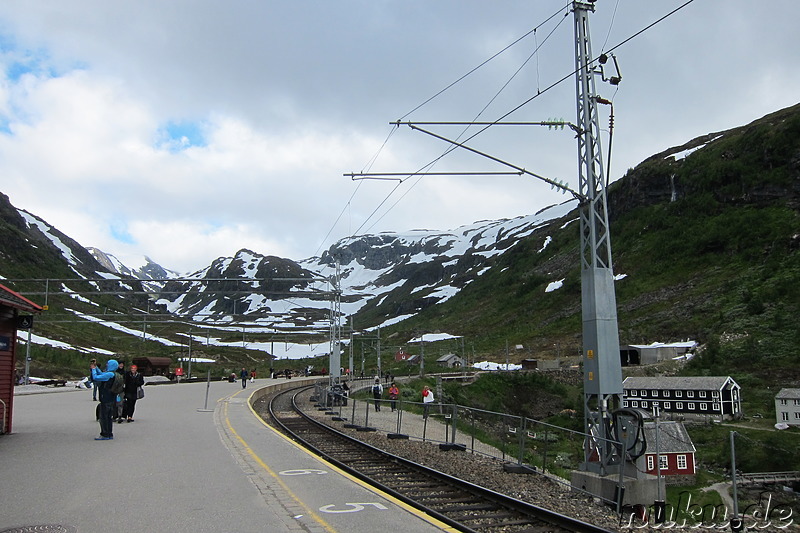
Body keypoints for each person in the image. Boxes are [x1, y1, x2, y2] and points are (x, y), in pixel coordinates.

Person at [90, 359, 120, 440]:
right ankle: (109, 433)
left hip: (106, 398)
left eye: (108, 364)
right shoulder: (113, 374)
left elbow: (96, 377)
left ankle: (105, 434)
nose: (106, 365)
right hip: (111, 398)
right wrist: (96, 367)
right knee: (108, 417)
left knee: (103, 417)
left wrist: (93, 369)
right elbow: (101, 374)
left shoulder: (109, 375)